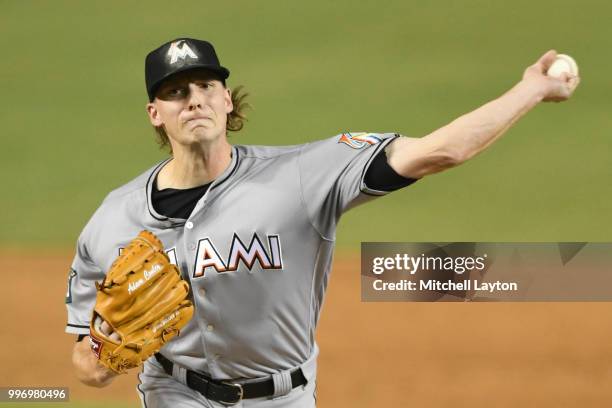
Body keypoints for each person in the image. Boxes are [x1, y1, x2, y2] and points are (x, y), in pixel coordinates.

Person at [65, 38, 579, 407]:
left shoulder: (304, 175)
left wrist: (531, 89)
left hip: (283, 399)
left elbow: (441, 151)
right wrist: (104, 356)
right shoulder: (113, 220)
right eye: (176, 91)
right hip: (172, 394)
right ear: (155, 112)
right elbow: (86, 368)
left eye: (204, 85)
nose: (193, 98)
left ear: (226, 99)